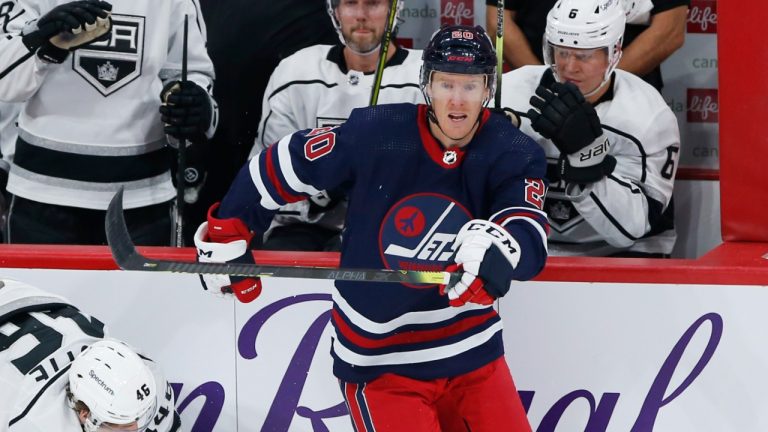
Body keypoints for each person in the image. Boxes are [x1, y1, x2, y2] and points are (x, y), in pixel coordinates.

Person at [194, 25, 548, 431]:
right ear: (425, 84)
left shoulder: (513, 151)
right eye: (445, 83)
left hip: (474, 358)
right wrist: (229, 229)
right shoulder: (377, 134)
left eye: (470, 86)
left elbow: (526, 227)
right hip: (382, 364)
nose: (456, 99)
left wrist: (498, 249)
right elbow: (284, 164)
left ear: (488, 89)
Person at [0, 0, 217, 245]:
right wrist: (41, 40)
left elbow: (190, 73)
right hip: (41, 196)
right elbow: (4, 81)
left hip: (144, 200)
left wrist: (192, 104)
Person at [501, 0, 680, 257]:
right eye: (561, 53)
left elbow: (633, 229)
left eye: (584, 56)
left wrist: (585, 158)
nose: (570, 67)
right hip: (530, 247)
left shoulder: (648, 116)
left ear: (615, 51)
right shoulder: (508, 94)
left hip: (623, 254)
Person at [249, 0, 424, 251]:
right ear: (335, 11)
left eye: (373, 3)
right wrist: (319, 191)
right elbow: (264, 177)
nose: (361, 15)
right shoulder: (295, 73)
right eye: (351, 3)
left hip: (396, 230)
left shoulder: (426, 77)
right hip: (305, 228)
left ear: (394, 9)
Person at [0, 278, 179, 431]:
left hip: (21, 297)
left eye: (142, 418)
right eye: (122, 428)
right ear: (85, 415)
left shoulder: (152, 382)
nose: (138, 427)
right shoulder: (40, 422)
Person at [486, 0, 689, 91]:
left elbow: (670, 30)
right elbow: (499, 21)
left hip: (624, 99)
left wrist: (600, 86)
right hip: (538, 94)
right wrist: (546, 83)